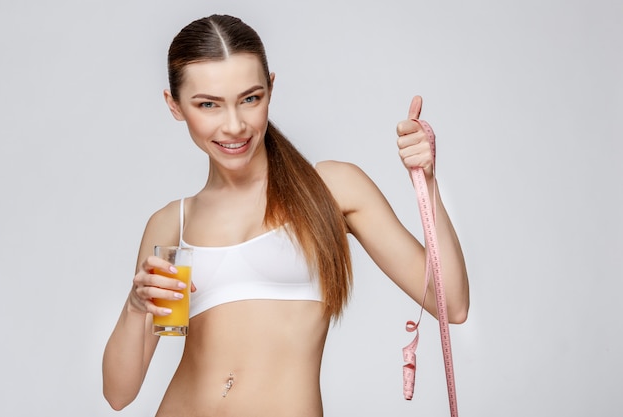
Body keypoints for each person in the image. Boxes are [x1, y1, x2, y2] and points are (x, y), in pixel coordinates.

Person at [102, 14, 469, 417]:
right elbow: (120, 393)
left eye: (250, 98)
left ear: (270, 89)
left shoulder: (329, 189)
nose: (234, 125)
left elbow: (451, 304)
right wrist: (136, 308)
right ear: (174, 106)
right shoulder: (174, 225)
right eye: (208, 104)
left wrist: (428, 182)